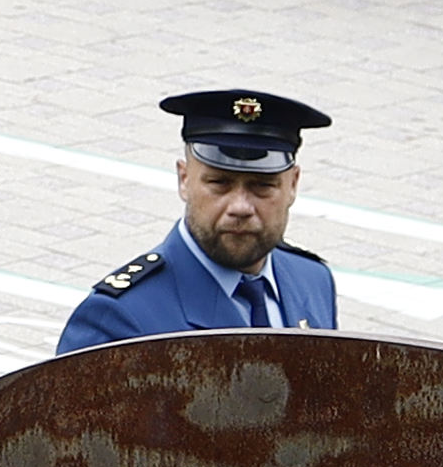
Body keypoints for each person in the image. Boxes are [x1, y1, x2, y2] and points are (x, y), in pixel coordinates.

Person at [56, 88, 341, 349]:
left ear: (293, 185)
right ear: (184, 179)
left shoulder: (312, 280)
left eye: (262, 186)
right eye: (219, 183)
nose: (240, 206)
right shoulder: (120, 318)